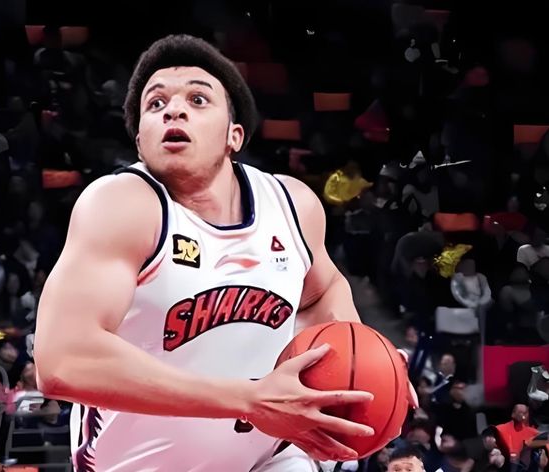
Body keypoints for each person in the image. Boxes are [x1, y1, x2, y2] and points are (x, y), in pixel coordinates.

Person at [34, 34, 416, 471]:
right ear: (140, 141)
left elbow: (322, 290)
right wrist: (249, 400)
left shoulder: (291, 205)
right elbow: (63, 360)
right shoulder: (122, 205)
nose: (173, 110)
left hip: (268, 455)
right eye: (155, 104)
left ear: (234, 135)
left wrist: (366, 366)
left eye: (197, 99)